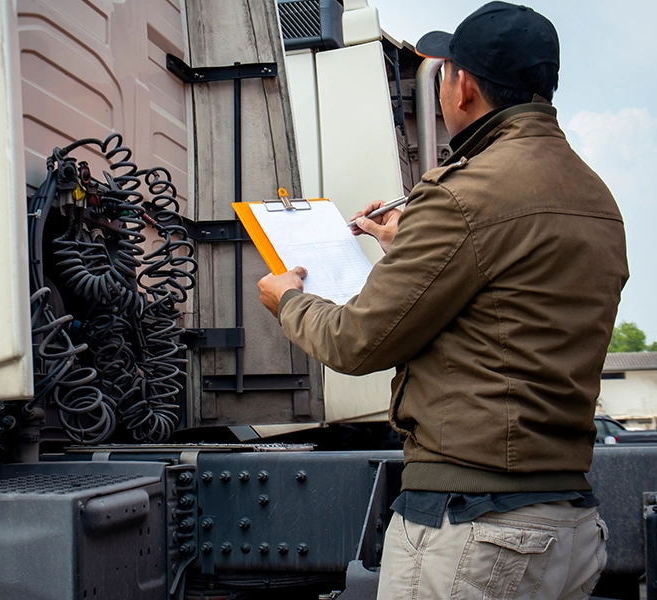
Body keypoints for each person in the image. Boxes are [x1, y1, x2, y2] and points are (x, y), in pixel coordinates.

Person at [257, 2, 628, 598]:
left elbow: (356, 341)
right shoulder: (594, 195)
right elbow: (515, 295)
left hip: (475, 527)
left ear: (465, 87)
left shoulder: (465, 194)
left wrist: (289, 299)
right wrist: (409, 240)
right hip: (569, 521)